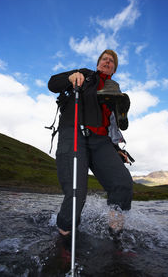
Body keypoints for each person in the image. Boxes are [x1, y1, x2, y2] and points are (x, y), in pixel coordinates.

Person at [48, 49, 133, 240]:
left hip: (102, 142)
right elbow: (52, 84)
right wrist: (71, 77)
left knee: (123, 184)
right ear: (98, 63)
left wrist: (116, 149)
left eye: (112, 61)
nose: (108, 62)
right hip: (74, 132)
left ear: (114, 69)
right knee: (76, 191)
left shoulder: (115, 91)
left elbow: (112, 126)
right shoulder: (85, 75)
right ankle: (64, 238)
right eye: (105, 59)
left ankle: (115, 239)